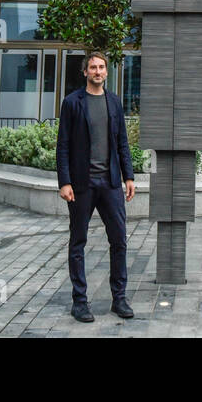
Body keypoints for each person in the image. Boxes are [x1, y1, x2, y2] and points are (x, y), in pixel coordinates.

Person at [56, 51, 136, 323]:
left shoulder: (114, 102)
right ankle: (80, 301)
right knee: (78, 242)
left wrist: (129, 176)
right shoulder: (72, 103)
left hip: (111, 183)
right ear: (85, 72)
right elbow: (63, 145)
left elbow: (122, 142)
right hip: (81, 185)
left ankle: (119, 298)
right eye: (93, 67)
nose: (98, 71)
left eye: (102, 67)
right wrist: (64, 181)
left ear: (106, 71)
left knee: (119, 241)